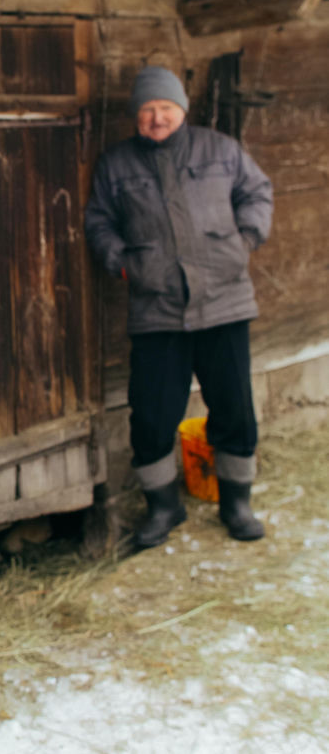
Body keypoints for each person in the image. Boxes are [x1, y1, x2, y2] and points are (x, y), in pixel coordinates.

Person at [84, 65, 273, 550]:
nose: (156, 117)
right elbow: (99, 222)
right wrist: (124, 265)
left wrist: (245, 238)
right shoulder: (117, 163)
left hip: (224, 301)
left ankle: (236, 502)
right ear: (136, 116)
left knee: (234, 408)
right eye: (147, 110)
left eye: (165, 107)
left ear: (182, 110)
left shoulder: (220, 150)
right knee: (150, 415)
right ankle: (163, 507)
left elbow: (258, 193)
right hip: (156, 308)